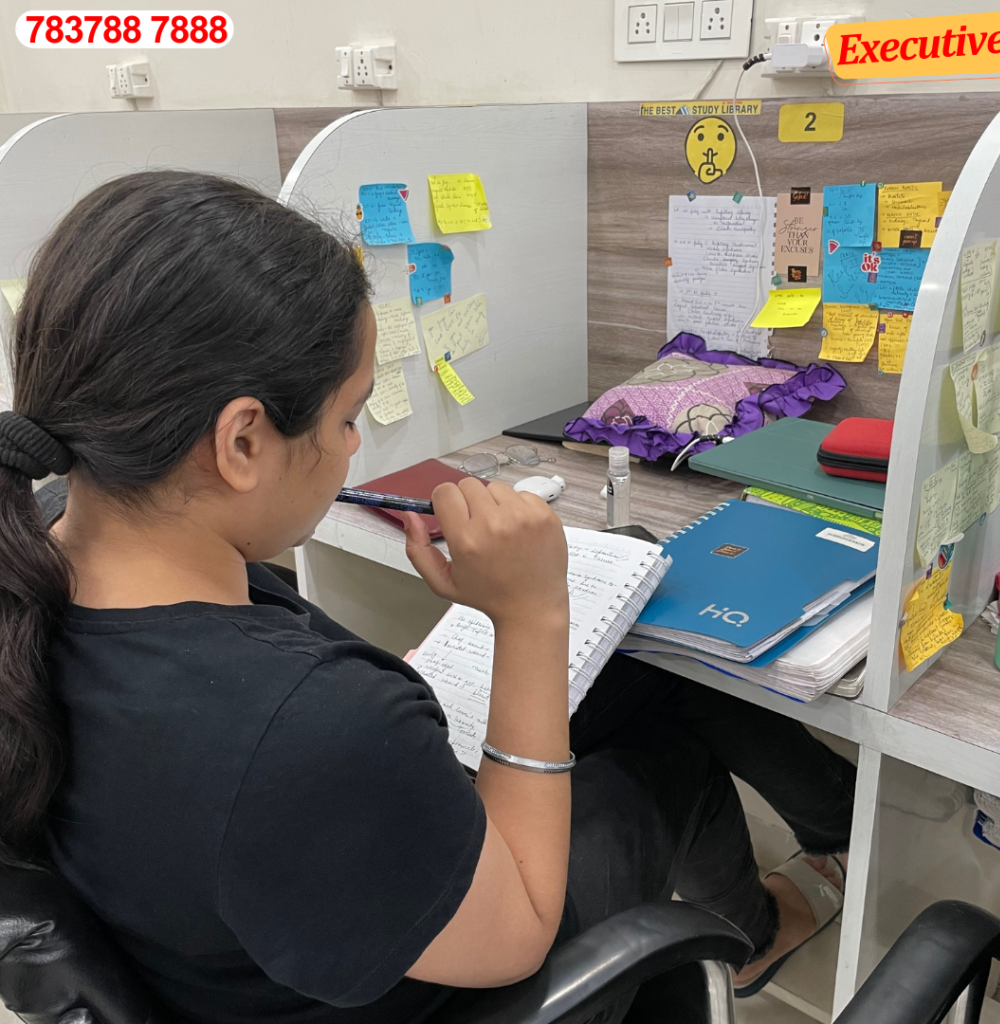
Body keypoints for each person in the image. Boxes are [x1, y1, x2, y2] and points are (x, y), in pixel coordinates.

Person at [0, 171, 854, 1024]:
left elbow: (270, 724)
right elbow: (519, 931)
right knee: (672, 758)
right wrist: (528, 615)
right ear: (243, 442)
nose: (353, 446)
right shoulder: (300, 726)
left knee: (640, 665)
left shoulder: (43, 543)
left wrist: (378, 704)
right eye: (348, 417)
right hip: (455, 964)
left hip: (280, 900)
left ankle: (842, 820)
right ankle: (762, 929)